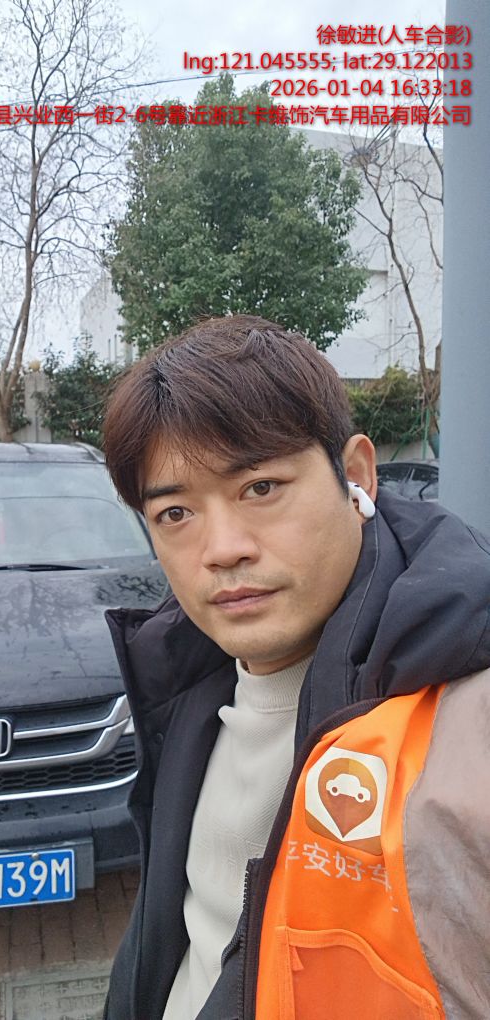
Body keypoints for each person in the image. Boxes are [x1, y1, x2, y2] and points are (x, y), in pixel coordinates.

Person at [100, 314, 490, 1020]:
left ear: (356, 475)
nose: (222, 549)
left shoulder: (466, 715)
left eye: (260, 488)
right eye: (176, 513)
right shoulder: (189, 681)